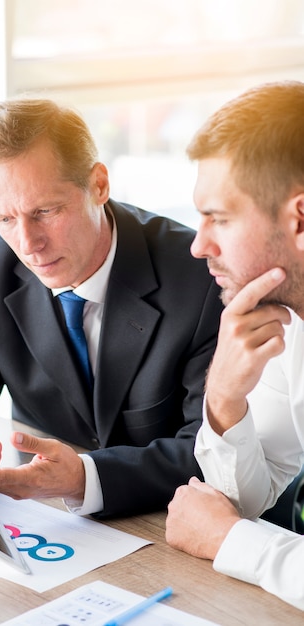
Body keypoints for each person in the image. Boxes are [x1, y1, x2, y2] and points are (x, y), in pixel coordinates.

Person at [0, 97, 222, 521]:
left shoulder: (202, 279)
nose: (28, 244)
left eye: (45, 211)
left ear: (99, 185)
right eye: (5, 219)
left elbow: (213, 448)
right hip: (52, 520)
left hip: (175, 518)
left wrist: (85, 478)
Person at [165, 80, 304, 610]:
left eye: (219, 218)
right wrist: (224, 399)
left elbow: (225, 526)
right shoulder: (281, 316)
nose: (199, 245)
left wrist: (231, 542)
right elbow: (242, 499)